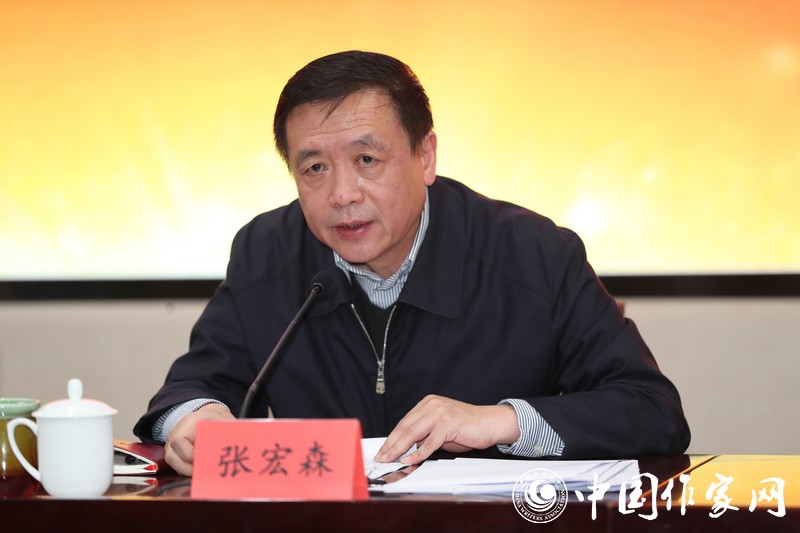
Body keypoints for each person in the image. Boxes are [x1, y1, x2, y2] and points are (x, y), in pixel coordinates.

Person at [134, 50, 690, 476]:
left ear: (425, 156)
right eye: (315, 169)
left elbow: (651, 410)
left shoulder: (533, 252)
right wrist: (196, 418)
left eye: (366, 159)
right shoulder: (266, 251)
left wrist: (499, 420)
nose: (342, 194)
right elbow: (192, 387)